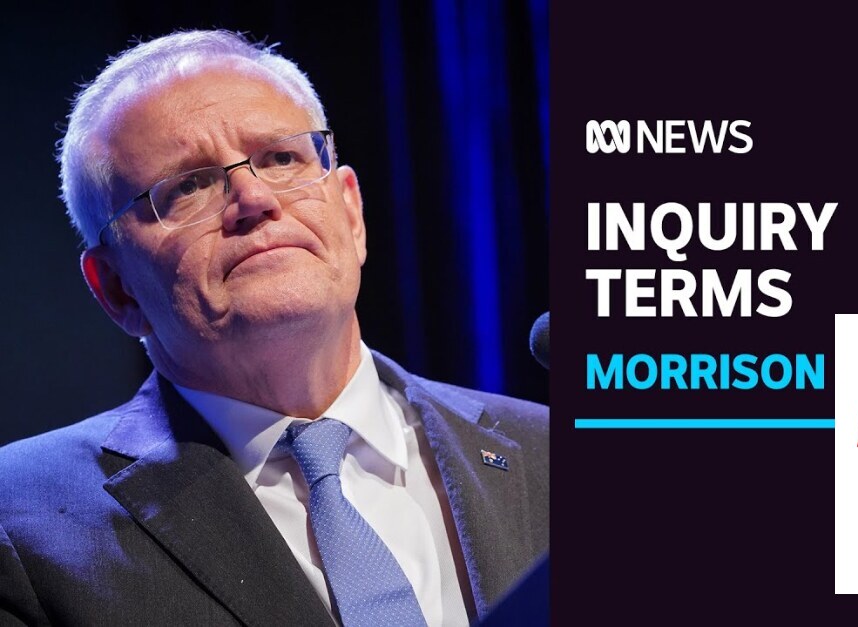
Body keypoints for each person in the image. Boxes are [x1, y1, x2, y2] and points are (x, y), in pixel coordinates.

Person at [0, 30, 548, 626]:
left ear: (352, 214)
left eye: (282, 158)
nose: (254, 198)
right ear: (116, 287)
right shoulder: (21, 522)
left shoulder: (554, 452)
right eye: (188, 186)